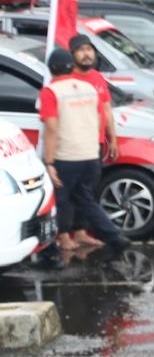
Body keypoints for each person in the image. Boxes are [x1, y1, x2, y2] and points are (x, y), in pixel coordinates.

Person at [39, 48, 130, 255]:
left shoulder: (51, 92)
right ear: (72, 67)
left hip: (67, 156)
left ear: (51, 69)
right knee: (85, 198)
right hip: (90, 153)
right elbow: (100, 118)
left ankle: (60, 240)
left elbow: (51, 128)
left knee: (62, 199)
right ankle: (113, 236)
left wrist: (49, 161)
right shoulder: (88, 88)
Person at [68, 34, 119, 248]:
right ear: (72, 55)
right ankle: (64, 234)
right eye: (81, 50)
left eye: (90, 49)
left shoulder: (97, 78)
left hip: (95, 145)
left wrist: (112, 139)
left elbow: (106, 109)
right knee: (71, 192)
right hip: (74, 145)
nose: (87, 54)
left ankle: (80, 232)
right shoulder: (67, 79)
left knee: (88, 189)